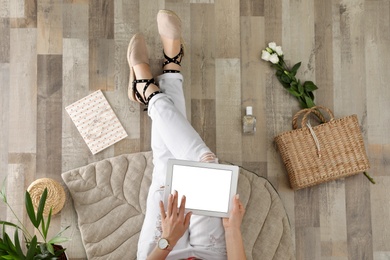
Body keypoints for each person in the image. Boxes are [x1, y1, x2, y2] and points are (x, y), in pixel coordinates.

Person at [127, 9, 246, 260]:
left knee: (168, 169)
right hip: (210, 254)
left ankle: (162, 75)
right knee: (202, 168)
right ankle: (150, 85)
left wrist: (169, 240)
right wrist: (232, 227)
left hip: (165, 252)